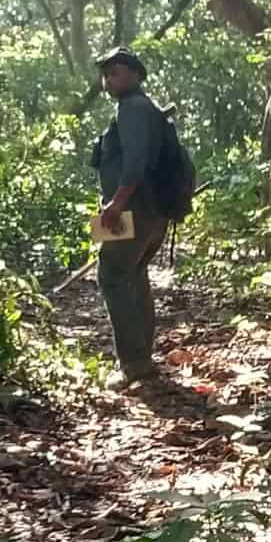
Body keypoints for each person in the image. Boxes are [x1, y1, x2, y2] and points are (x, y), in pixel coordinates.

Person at [90, 46, 171, 386]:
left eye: (116, 72)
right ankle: (142, 359)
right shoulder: (143, 107)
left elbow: (136, 161)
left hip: (134, 210)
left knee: (112, 273)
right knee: (133, 275)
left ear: (136, 74)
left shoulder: (133, 109)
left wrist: (116, 204)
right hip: (152, 210)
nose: (109, 79)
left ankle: (133, 363)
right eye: (106, 74)